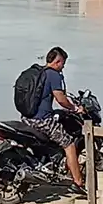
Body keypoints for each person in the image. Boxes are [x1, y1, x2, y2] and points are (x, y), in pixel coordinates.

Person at [28, 46, 86, 192]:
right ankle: (78, 182)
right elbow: (61, 99)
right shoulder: (53, 75)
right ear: (58, 62)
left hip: (28, 118)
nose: (63, 67)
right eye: (63, 64)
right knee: (69, 144)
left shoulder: (38, 72)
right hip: (43, 120)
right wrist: (74, 108)